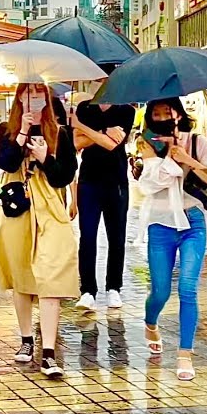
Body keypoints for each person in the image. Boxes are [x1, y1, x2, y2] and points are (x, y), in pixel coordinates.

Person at [136, 98, 207, 382]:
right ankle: (150, 322)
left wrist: (187, 158)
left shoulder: (197, 141)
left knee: (188, 288)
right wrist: (168, 158)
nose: (163, 116)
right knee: (161, 292)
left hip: (193, 223)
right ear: (150, 117)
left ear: (178, 113)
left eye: (168, 111)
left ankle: (184, 353)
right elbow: (151, 183)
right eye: (156, 113)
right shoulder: (144, 144)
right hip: (160, 225)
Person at [0, 83, 79, 379]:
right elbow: (4, 162)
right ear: (19, 97)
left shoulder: (61, 133)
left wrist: (46, 157)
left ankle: (49, 352)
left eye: (39, 94)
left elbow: (64, 177)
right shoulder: (6, 129)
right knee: (22, 275)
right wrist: (21, 135)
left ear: (47, 98)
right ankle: (26, 339)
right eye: (28, 94)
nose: (34, 99)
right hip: (18, 208)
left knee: (52, 274)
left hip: (51, 209)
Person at [70, 93, 134, 311]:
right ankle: (87, 290)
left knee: (117, 237)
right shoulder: (84, 108)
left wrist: (84, 128)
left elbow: (111, 145)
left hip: (116, 182)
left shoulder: (126, 110)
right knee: (87, 236)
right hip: (88, 181)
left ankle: (114, 287)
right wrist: (104, 132)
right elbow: (77, 143)